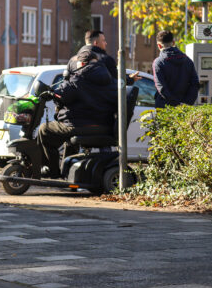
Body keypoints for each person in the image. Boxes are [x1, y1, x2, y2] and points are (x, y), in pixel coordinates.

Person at [38, 49, 118, 178]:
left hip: (80, 125)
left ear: (81, 63)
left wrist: (52, 93)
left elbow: (63, 95)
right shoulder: (110, 78)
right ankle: (67, 171)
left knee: (45, 130)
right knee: (67, 135)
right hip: (103, 125)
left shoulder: (79, 77)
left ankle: (52, 171)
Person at [66, 29, 140, 84]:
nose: (106, 43)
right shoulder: (106, 59)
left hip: (76, 104)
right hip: (98, 104)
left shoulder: (72, 60)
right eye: (103, 40)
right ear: (95, 43)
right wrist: (130, 79)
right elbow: (117, 81)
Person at [152, 30, 200, 108]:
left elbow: (161, 88)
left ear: (159, 46)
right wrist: (186, 103)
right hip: (185, 108)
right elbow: (195, 84)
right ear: (173, 42)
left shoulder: (158, 63)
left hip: (165, 108)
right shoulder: (188, 61)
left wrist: (175, 104)